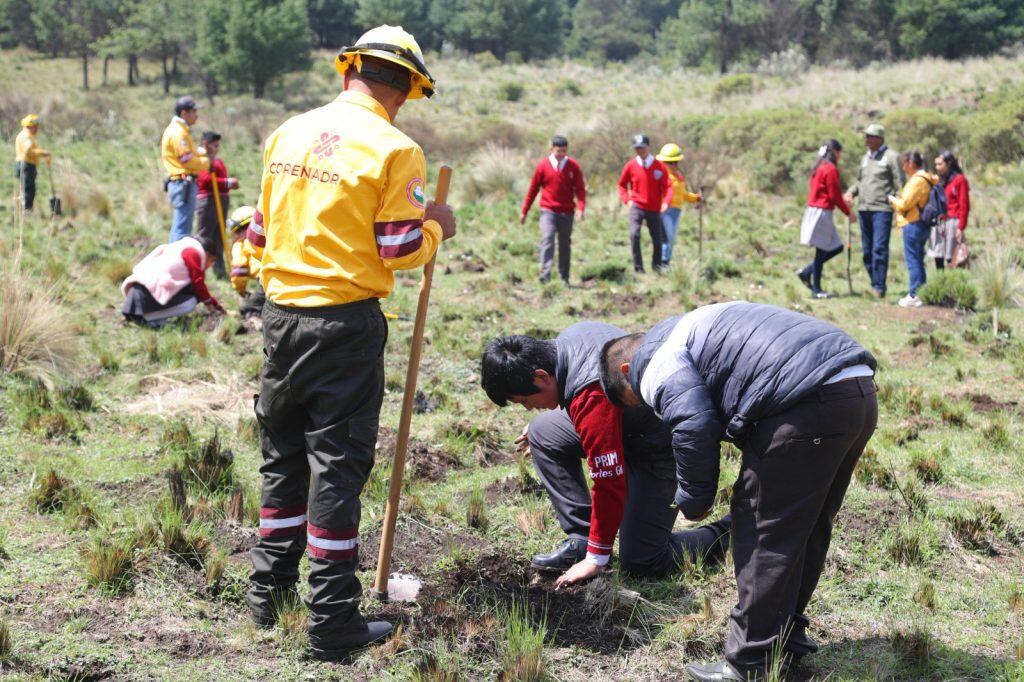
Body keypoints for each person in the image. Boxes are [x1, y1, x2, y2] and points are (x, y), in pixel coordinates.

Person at [247, 25, 457, 662]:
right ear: (406, 91)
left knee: (282, 454)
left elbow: (258, 233)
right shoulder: (397, 150)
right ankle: (333, 621)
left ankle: (268, 591)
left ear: (350, 72)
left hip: (280, 318)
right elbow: (396, 250)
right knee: (337, 468)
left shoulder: (286, 132)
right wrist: (436, 230)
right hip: (343, 325)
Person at [598, 302, 877, 682]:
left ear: (626, 372)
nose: (648, 407)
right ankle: (786, 638)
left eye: (639, 401)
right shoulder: (689, 326)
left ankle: (750, 663)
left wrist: (694, 499)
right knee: (807, 525)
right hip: (856, 389)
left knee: (761, 530)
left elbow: (693, 422)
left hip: (806, 402)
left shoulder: (655, 362)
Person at [481, 326, 731, 587]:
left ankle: (729, 531)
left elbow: (608, 482)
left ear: (542, 377)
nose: (529, 407)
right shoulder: (565, 344)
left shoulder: (590, 394)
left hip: (657, 447)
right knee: (542, 430)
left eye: (524, 400)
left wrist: (596, 559)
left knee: (642, 560)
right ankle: (582, 538)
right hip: (625, 425)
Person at [843, 123, 903, 298]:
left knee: (879, 249)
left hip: (882, 210)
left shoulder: (891, 157)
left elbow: (900, 182)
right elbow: (860, 181)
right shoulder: (865, 158)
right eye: (866, 137)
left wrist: (898, 204)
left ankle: (879, 287)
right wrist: (850, 192)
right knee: (867, 251)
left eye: (870, 137)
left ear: (879, 139)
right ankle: (874, 281)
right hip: (864, 208)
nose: (867, 140)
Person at [520, 135, 586, 285]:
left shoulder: (573, 166)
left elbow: (580, 190)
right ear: (551, 149)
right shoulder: (543, 166)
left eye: (564, 151)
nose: (561, 154)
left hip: (567, 212)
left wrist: (581, 209)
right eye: (558, 151)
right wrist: (525, 211)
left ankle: (564, 277)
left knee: (564, 244)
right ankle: (545, 275)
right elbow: (533, 189)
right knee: (547, 238)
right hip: (548, 211)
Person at [120, 236, 225, 328]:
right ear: (206, 254)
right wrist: (212, 308)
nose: (210, 266)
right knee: (191, 301)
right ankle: (145, 317)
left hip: (139, 291)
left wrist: (218, 307)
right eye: (212, 261)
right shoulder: (193, 253)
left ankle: (151, 318)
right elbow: (198, 284)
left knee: (191, 294)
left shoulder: (180, 247)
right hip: (146, 293)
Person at [797, 139, 853, 299]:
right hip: (822, 212)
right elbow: (834, 195)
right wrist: (848, 212)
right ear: (835, 152)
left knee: (835, 247)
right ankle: (816, 289)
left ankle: (807, 272)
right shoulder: (829, 169)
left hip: (816, 210)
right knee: (822, 251)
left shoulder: (819, 167)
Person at [889, 151, 938, 308]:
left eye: (904, 163)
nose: (903, 167)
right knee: (918, 259)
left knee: (913, 260)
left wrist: (892, 200)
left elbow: (905, 204)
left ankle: (914, 294)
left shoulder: (917, 180)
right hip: (921, 224)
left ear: (911, 163)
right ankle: (921, 292)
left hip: (913, 223)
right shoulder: (928, 178)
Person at [618, 134, 671, 273]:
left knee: (657, 238)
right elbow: (622, 185)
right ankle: (638, 268)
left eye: (642, 147)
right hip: (637, 206)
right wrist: (627, 200)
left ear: (648, 147)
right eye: (637, 148)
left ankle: (657, 266)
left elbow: (668, 186)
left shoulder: (659, 166)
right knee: (634, 234)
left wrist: (666, 202)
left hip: (654, 207)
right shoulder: (630, 165)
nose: (640, 151)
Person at [161, 96, 210, 243]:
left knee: (183, 226)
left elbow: (189, 154)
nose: (197, 114)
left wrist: (201, 152)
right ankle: (176, 261)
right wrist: (207, 162)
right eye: (194, 111)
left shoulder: (182, 130)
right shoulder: (178, 132)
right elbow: (186, 160)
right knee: (182, 229)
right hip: (183, 184)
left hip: (184, 184)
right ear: (184, 113)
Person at [195, 131, 239, 278]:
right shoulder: (201, 159)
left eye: (218, 145)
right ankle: (196, 267)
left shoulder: (217, 160)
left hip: (221, 198)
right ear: (205, 144)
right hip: (208, 200)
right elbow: (205, 180)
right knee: (205, 235)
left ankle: (219, 269)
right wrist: (226, 182)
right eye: (214, 145)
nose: (217, 148)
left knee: (218, 236)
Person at [656, 143, 702, 266]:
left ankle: (666, 262)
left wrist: (695, 198)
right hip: (664, 211)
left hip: (676, 211)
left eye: (675, 162)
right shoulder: (660, 177)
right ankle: (662, 262)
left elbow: (683, 194)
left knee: (671, 239)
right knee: (667, 237)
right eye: (670, 162)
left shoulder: (679, 177)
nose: (673, 165)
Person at [929, 151, 970, 270]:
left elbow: (964, 205)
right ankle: (941, 281)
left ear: (949, 164)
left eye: (940, 164)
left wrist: (960, 227)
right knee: (938, 254)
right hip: (939, 221)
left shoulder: (959, 180)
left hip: (953, 221)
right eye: (936, 165)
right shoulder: (938, 181)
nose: (937, 168)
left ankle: (954, 283)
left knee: (952, 256)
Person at [227, 205, 266, 320]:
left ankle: (254, 319)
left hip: (265, 279)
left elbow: (239, 272)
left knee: (247, 307)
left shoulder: (240, 245)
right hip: (279, 273)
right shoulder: (268, 235)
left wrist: (241, 291)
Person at [14, 114, 51, 212]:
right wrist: (43, 153)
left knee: (27, 188)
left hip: (26, 165)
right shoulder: (26, 136)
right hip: (25, 165)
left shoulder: (27, 135)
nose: (37, 129)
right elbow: (29, 151)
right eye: (35, 126)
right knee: (29, 189)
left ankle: (25, 210)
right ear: (30, 126)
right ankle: (26, 210)